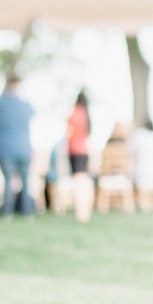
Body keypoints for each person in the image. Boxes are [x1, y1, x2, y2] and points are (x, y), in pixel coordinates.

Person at [0, 76, 35, 218]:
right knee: (25, 181)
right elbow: (32, 113)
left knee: (8, 181)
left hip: (6, 148)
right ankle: (28, 212)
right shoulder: (25, 105)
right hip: (24, 148)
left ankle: (7, 212)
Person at [65, 91, 94, 223]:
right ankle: (85, 211)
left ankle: (80, 212)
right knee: (84, 180)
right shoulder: (86, 115)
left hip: (75, 151)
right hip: (84, 150)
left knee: (79, 181)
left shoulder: (75, 113)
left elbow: (68, 132)